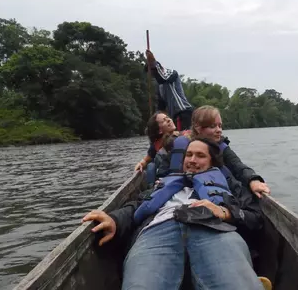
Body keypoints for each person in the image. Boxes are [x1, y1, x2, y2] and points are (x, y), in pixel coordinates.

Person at [82, 137, 264, 290]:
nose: (192, 160)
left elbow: (255, 217)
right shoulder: (164, 183)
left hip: (214, 229)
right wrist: (114, 220)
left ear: (212, 162)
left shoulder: (228, 184)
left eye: (200, 156)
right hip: (158, 232)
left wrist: (224, 212)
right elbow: (136, 206)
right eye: (189, 154)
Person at [165, 105, 271, 198]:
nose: (219, 130)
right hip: (181, 193)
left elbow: (237, 165)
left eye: (220, 126)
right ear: (198, 127)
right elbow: (163, 171)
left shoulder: (221, 146)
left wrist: (253, 180)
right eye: (212, 126)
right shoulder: (182, 145)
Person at [146, 50, 193, 131]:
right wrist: (153, 122)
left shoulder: (171, 73)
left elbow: (163, 79)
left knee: (183, 138)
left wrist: (153, 62)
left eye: (153, 73)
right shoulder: (159, 86)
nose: (153, 76)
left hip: (183, 112)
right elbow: (161, 106)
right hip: (174, 117)